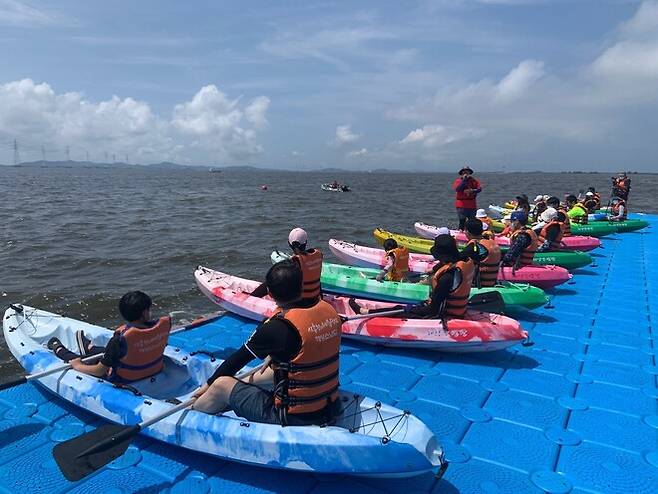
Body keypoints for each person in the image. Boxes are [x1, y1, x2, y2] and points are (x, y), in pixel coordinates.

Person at [193, 260, 342, 426]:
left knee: (221, 384)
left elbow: (236, 361)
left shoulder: (275, 328)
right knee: (271, 371)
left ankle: (193, 411)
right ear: (301, 286)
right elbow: (307, 347)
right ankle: (242, 387)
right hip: (330, 406)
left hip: (292, 417)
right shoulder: (329, 311)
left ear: (269, 293)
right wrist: (275, 355)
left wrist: (208, 384)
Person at [47, 291, 172, 382]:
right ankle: (88, 347)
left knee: (79, 359)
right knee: (108, 352)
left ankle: (59, 349)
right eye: (149, 309)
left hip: (125, 378)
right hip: (154, 370)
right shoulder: (160, 328)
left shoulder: (119, 340)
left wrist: (78, 366)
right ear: (144, 313)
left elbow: (99, 371)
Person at [350, 234, 475, 319]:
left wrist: (410, 310)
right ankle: (368, 311)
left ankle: (364, 312)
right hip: (458, 309)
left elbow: (433, 310)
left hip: (441, 314)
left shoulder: (446, 277)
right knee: (409, 307)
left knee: (400, 309)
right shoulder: (463, 263)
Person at [251, 228, 323, 304]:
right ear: (306, 242)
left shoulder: (294, 262)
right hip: (316, 298)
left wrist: (254, 295)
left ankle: (252, 297)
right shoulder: (318, 254)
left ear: (289, 243)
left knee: (275, 280)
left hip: (301, 302)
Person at [460, 218, 501, 287]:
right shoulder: (492, 242)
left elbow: (457, 259)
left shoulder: (474, 246)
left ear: (467, 232)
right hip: (492, 282)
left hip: (479, 284)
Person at [452, 166, 482, 231]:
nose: (465, 173)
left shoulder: (474, 180)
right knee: (462, 220)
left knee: (472, 221)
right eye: (464, 171)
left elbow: (479, 189)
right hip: (461, 204)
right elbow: (458, 189)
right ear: (462, 173)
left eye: (467, 171)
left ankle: (471, 233)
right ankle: (461, 232)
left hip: (472, 204)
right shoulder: (458, 180)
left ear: (469, 172)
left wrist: (472, 191)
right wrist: (464, 180)